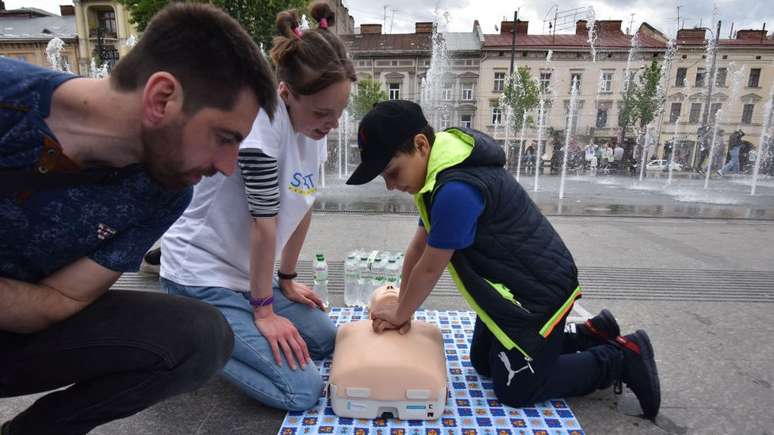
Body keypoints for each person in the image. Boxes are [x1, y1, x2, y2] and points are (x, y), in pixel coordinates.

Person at [0, 3, 277, 434]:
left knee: (200, 336)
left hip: (18, 330)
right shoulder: (10, 99)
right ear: (161, 98)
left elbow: (62, 301)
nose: (228, 166)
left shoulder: (164, 192)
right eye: (224, 138)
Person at [345, 100, 661, 421]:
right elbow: (418, 248)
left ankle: (620, 358)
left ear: (421, 145)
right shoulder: (437, 175)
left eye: (392, 172)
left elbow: (430, 266)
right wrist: (401, 298)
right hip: (510, 288)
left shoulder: (456, 189)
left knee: (516, 389)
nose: (391, 185)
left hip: (536, 297)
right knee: (484, 363)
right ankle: (590, 334)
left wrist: (402, 312)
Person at [159, 2, 355, 411]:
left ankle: (238, 325)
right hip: (203, 277)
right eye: (322, 112)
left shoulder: (313, 131)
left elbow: (305, 205)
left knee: (324, 339)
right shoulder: (259, 131)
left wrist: (286, 278)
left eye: (339, 112)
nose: (332, 124)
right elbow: (263, 224)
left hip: (249, 277)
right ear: (285, 92)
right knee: (301, 391)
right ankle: (192, 339)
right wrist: (264, 313)